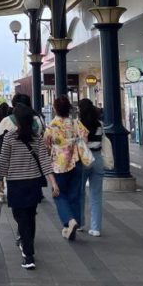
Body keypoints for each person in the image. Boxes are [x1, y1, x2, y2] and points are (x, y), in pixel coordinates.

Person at [0, 104, 58, 270]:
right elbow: (45, 162)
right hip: (33, 182)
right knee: (29, 216)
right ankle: (27, 245)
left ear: (16, 120)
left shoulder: (9, 138)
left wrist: (1, 180)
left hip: (16, 183)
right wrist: (53, 183)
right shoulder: (36, 138)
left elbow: (4, 160)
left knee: (21, 217)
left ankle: (28, 253)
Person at [44, 96, 90, 241]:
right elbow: (85, 139)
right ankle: (73, 226)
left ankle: (69, 221)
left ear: (55, 109)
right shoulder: (76, 123)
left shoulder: (51, 126)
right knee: (74, 194)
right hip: (77, 162)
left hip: (60, 165)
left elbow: (46, 145)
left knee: (59, 194)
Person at [77, 98, 105, 237]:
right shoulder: (100, 124)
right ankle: (96, 228)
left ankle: (80, 223)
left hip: (83, 160)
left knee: (80, 193)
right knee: (96, 195)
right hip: (98, 159)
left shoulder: (79, 125)